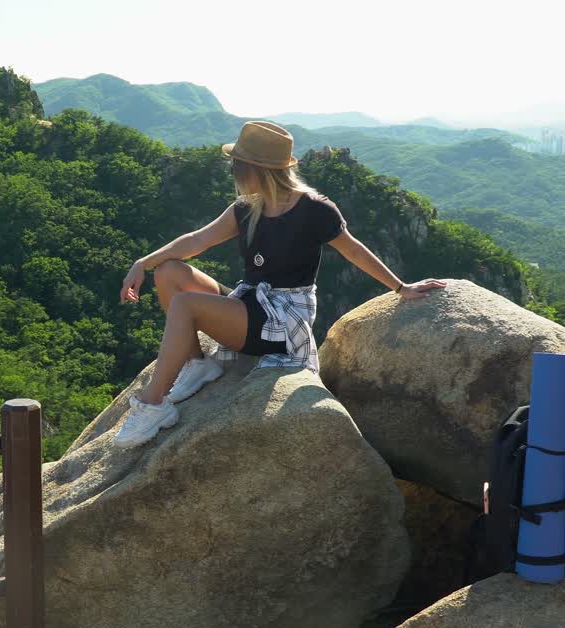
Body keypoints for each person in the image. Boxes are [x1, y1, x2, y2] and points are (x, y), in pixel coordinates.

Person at [113, 120, 446, 448]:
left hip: (284, 319)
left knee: (185, 306)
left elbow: (354, 251)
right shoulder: (247, 208)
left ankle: (154, 404)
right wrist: (144, 263)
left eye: (236, 166)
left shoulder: (314, 210)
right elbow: (197, 241)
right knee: (168, 271)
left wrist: (401, 288)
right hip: (252, 303)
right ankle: (198, 364)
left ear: (257, 169)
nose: (233, 173)